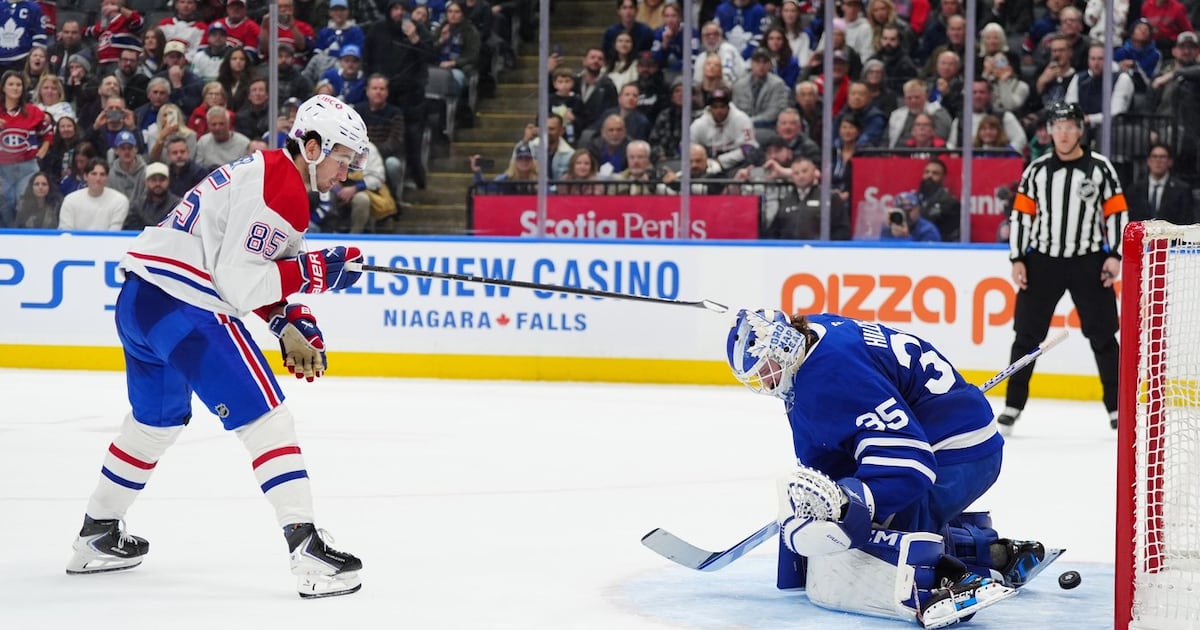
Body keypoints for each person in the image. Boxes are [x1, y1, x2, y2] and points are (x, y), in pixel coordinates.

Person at [65, 94, 369, 600]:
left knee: (154, 424)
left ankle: (97, 532)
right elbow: (238, 281)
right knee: (268, 419)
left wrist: (289, 320)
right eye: (343, 158)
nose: (347, 171)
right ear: (313, 148)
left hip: (141, 302)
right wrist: (316, 273)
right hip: (185, 307)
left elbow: (255, 268)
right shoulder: (282, 189)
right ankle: (309, 552)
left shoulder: (270, 173)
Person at [725, 307, 1048, 628]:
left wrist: (853, 503)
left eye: (765, 367)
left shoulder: (829, 374)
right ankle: (992, 553)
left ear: (783, 347)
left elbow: (910, 464)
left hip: (956, 453)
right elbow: (838, 439)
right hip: (949, 431)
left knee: (865, 543)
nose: (765, 381)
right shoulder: (813, 335)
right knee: (853, 526)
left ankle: (950, 581)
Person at [1000, 102, 1127, 432]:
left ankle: (1117, 408)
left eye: (1070, 127)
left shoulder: (1100, 168)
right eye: (1058, 127)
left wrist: (1115, 254)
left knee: (1103, 336)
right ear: (1050, 131)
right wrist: (1018, 258)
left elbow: (1116, 213)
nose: (1064, 133)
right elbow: (1021, 216)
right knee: (1026, 336)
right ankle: (1013, 405)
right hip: (1043, 261)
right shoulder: (1037, 170)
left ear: (1080, 130)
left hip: (1088, 261)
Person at [1126, 142, 1197, 224]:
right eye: (1154, 156)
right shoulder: (1134, 189)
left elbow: (1187, 221)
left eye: (1162, 157)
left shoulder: (1182, 190)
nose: (1158, 160)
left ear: (1170, 162)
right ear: (1148, 161)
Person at [57, 158, 130, 230]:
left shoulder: (120, 201)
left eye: (102, 174)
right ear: (85, 176)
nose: (98, 179)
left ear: (107, 177)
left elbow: (114, 233)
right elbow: (65, 231)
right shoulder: (70, 200)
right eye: (94, 174)